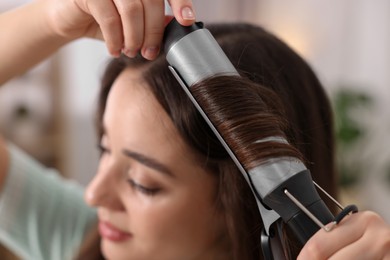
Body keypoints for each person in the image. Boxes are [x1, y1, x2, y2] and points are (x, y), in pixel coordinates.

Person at [0, 1, 389, 260]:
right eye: (104, 150)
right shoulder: (78, 238)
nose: (94, 193)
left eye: (142, 182)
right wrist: (51, 21)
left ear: (235, 202)